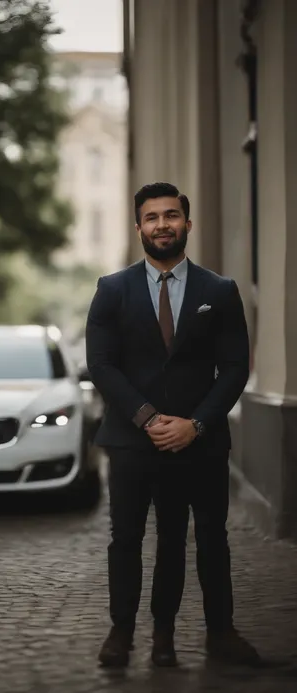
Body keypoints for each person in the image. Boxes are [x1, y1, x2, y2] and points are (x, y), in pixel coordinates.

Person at [85, 182, 261, 668]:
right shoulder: (111, 290)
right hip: (130, 441)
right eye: (152, 217)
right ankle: (121, 632)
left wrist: (196, 424)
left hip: (199, 443)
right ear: (138, 226)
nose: (162, 224)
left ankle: (205, 634)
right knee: (125, 539)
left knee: (201, 538)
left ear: (187, 222)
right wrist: (147, 419)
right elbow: (101, 366)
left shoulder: (219, 291)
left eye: (171, 215)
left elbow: (235, 368)